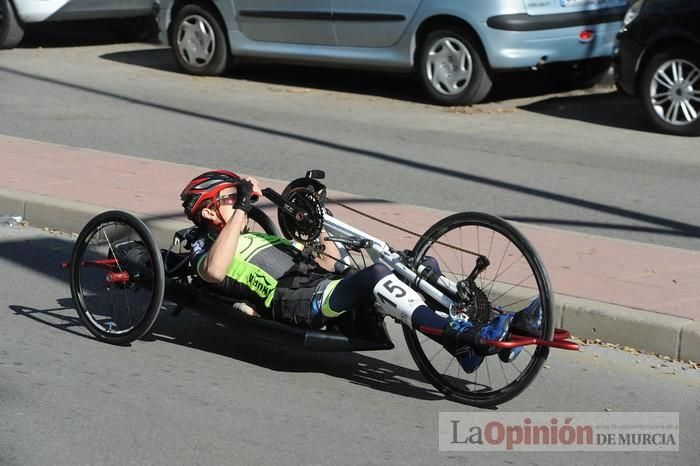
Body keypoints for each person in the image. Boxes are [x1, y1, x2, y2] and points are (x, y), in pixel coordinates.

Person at [180, 170, 538, 372]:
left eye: (236, 196)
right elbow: (212, 272)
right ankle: (466, 336)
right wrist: (243, 204)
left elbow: (329, 262)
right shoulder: (209, 252)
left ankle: (485, 332)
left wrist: (317, 226)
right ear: (210, 213)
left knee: (417, 266)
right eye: (229, 198)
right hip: (297, 303)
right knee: (374, 277)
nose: (240, 201)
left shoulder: (262, 238)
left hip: (320, 287)